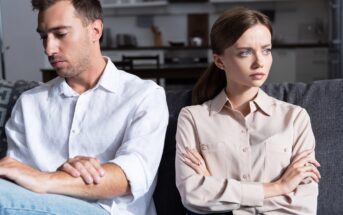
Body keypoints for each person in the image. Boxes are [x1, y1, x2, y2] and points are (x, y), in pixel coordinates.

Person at [0, 0, 168, 215]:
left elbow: (128, 178)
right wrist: (55, 179)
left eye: (60, 34)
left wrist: (46, 179)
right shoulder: (29, 102)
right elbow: (18, 177)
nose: (49, 49)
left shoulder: (144, 96)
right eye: (43, 37)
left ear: (95, 31)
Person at [175, 7, 320, 215]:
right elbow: (193, 195)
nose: (260, 62)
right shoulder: (193, 118)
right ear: (219, 61)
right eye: (245, 52)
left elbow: (303, 206)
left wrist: (218, 194)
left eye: (266, 50)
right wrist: (279, 187)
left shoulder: (295, 118)